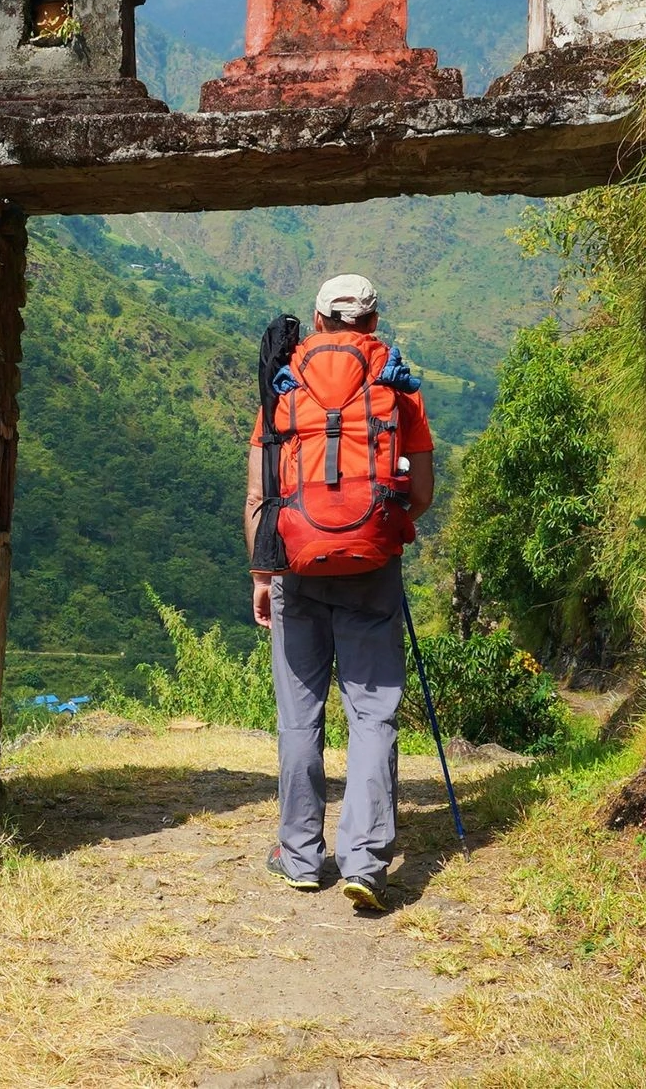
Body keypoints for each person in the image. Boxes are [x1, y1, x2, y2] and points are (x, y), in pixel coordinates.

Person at [245, 273, 434, 912]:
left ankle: (300, 857)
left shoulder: (283, 384)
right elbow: (424, 493)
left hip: (296, 564)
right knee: (372, 714)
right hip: (371, 567)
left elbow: (261, 494)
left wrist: (263, 575)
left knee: (301, 717)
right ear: (372, 325)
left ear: (319, 320)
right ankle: (365, 861)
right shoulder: (396, 386)